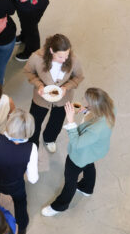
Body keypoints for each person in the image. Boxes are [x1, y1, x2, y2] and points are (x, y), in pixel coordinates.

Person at [41, 87, 115, 217]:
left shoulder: (96, 129)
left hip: (80, 156)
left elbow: (76, 143)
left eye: (88, 103)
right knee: (89, 165)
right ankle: (87, 188)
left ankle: (60, 205)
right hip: (94, 152)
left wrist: (70, 121)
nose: (84, 101)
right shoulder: (109, 108)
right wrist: (87, 110)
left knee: (70, 181)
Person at [23, 34, 85, 154]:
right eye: (60, 56)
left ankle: (50, 139)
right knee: (35, 121)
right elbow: (28, 71)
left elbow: (79, 77)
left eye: (67, 55)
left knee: (57, 121)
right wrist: (39, 85)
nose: (65, 59)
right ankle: (32, 143)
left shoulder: (73, 59)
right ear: (51, 51)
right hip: (41, 97)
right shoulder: (36, 58)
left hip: (63, 98)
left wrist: (66, 87)